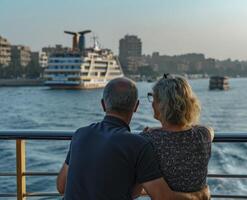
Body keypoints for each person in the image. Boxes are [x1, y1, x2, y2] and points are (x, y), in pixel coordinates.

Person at [56, 77, 207, 200]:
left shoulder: (80, 134)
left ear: (103, 105)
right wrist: (199, 196)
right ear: (136, 106)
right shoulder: (139, 145)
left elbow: (61, 187)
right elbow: (161, 197)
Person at [139, 74, 214, 199]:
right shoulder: (203, 135)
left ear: (162, 105)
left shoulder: (148, 140)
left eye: (154, 99)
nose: (152, 104)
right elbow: (210, 130)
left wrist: (158, 130)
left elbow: (135, 190)